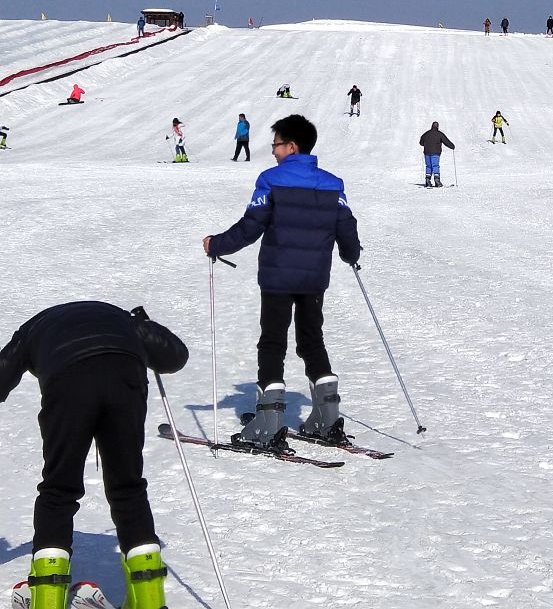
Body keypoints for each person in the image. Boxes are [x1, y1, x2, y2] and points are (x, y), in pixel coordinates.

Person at [0, 301, 188, 609]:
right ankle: (149, 600)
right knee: (128, 489)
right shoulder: (124, 319)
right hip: (125, 378)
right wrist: (145, 324)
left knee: (58, 490)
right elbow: (175, 357)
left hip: (68, 382)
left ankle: (47, 600)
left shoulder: (33, 328)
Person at [202, 114, 361, 448]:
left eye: (275, 144)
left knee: (273, 341)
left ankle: (268, 421)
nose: (272, 151)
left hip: (277, 276)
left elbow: (251, 226)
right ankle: (326, 417)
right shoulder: (333, 184)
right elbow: (346, 226)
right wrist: (350, 254)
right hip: (315, 278)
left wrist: (216, 244)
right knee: (311, 338)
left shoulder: (271, 180)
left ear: (291, 146)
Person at [419, 121, 455, 187]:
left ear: (431, 126)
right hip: (435, 153)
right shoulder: (439, 134)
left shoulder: (426, 134)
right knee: (435, 166)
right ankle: (437, 180)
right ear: (437, 126)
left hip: (427, 152)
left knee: (428, 166)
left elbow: (421, 143)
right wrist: (452, 146)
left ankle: (427, 180)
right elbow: (446, 141)